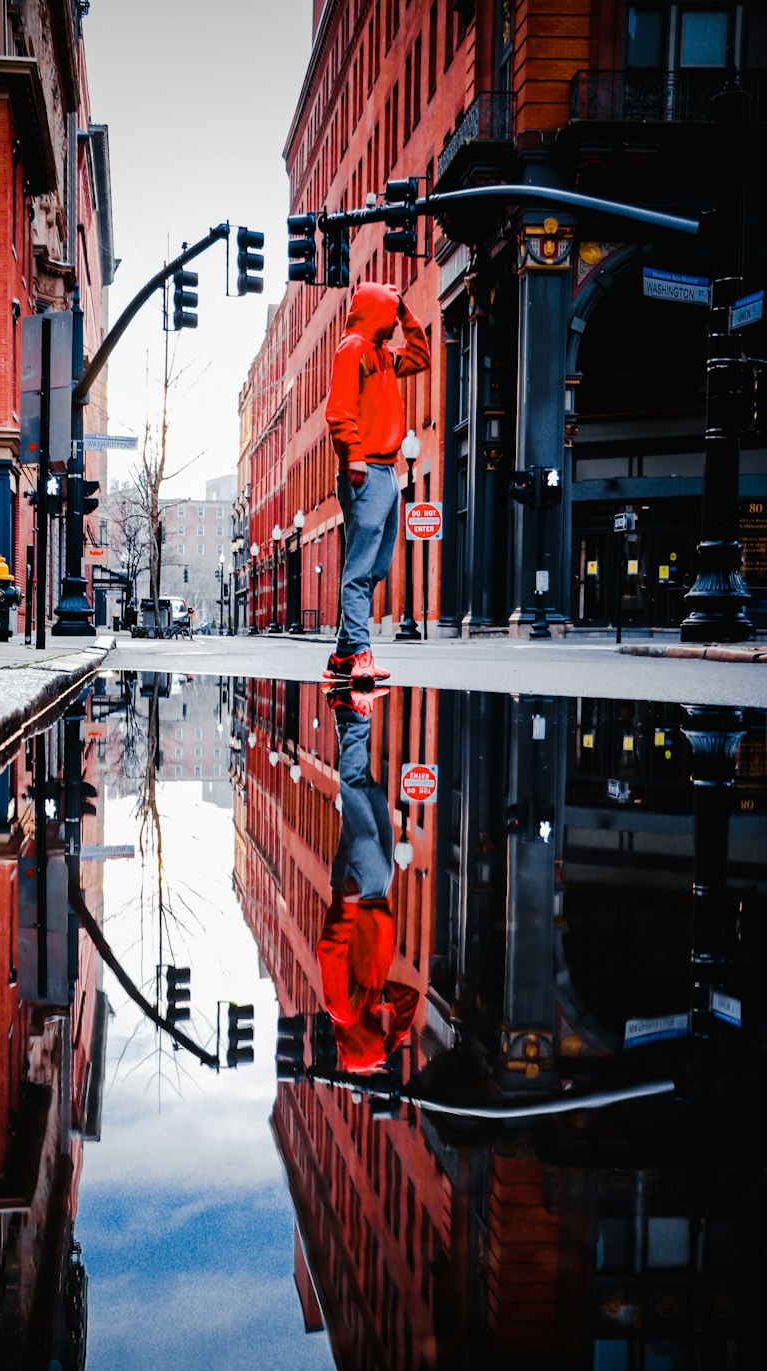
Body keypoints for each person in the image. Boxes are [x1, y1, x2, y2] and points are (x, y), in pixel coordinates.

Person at [323, 281, 430, 684]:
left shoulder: (383, 355)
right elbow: (338, 410)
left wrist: (403, 310)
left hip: (387, 471)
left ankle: (342, 655)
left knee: (377, 567)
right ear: (373, 311)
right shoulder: (352, 348)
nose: (392, 318)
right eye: (387, 310)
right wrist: (354, 455)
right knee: (361, 567)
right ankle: (362, 654)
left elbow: (420, 355)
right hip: (365, 468)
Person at [315, 683, 420, 1073]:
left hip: (359, 889)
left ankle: (354, 706)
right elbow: (409, 999)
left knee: (355, 786)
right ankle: (345, 710)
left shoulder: (342, 1008)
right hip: (380, 889)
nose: (381, 1032)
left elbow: (329, 951)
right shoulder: (372, 1001)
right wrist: (392, 1042)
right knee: (373, 792)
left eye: (377, 1041)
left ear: (363, 1041)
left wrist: (346, 904)